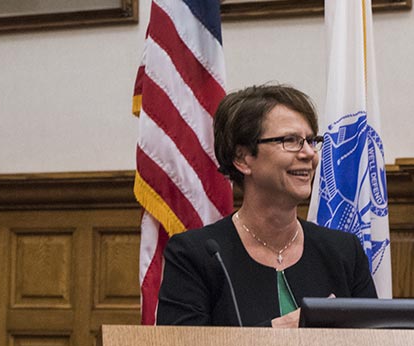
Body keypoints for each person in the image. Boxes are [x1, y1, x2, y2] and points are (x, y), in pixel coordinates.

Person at [156, 84, 378, 327]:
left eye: (311, 141)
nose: (309, 154)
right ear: (242, 158)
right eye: (290, 140)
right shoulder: (195, 255)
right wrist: (281, 330)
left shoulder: (344, 252)